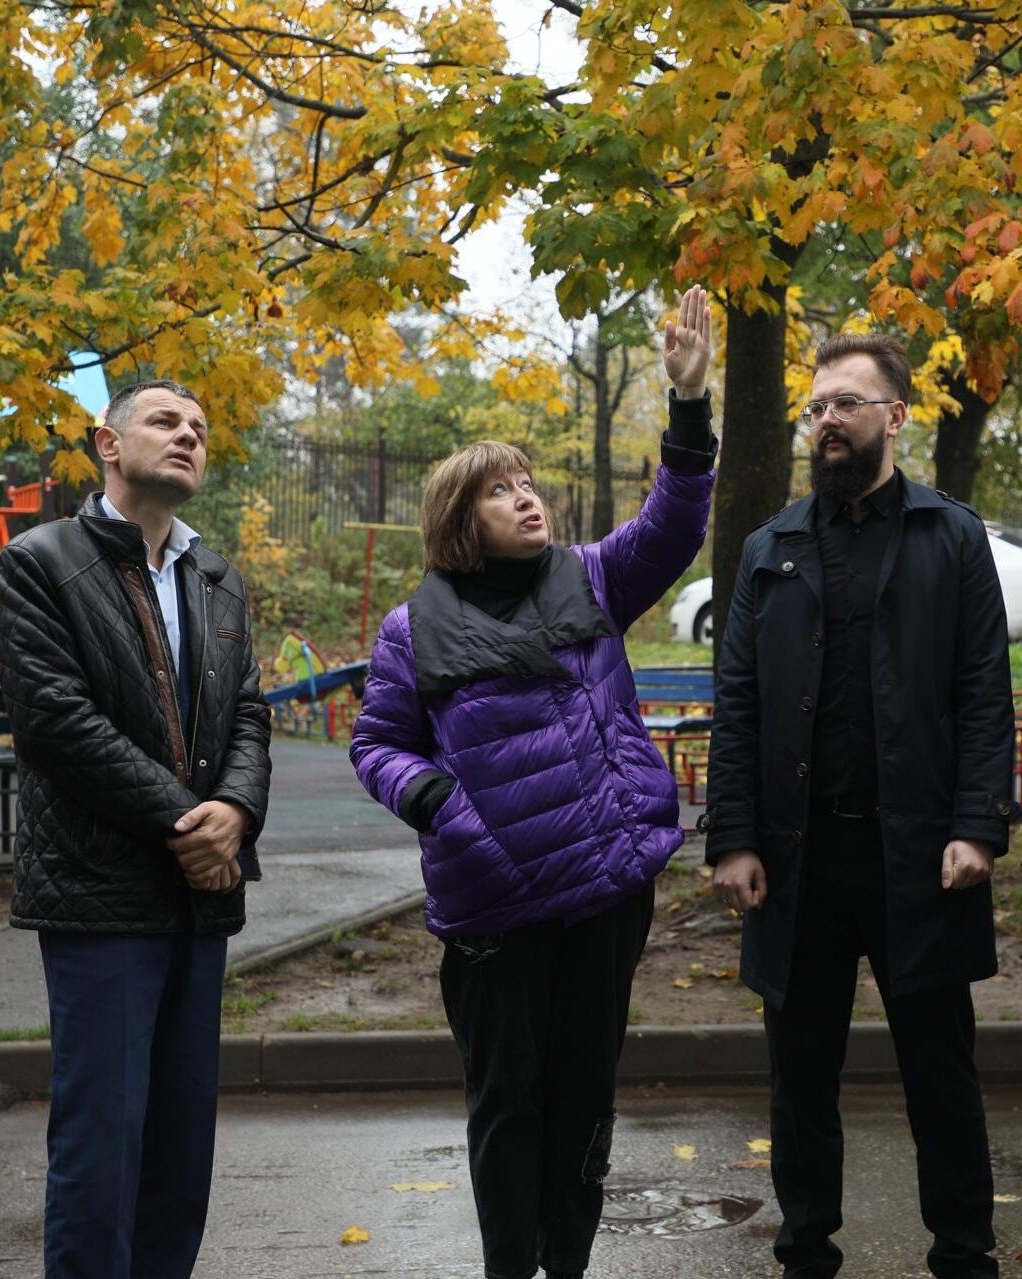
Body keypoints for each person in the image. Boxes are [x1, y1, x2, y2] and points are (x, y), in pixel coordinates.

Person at [348, 288, 717, 1279]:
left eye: (527, 482)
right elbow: (377, 744)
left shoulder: (589, 578)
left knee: (583, 1096)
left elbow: (675, 523)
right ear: (459, 519)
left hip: (603, 890)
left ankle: (569, 1265)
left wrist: (688, 404)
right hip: (494, 907)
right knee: (507, 1106)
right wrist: (438, 805)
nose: (526, 496)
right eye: (499, 489)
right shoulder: (409, 629)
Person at [705, 332, 1016, 1279]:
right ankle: (806, 1253)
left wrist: (977, 825)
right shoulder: (772, 547)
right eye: (816, 406)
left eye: (847, 402)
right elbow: (740, 705)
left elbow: (982, 691)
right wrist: (733, 837)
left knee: (941, 1074)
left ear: (897, 415)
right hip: (800, 861)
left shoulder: (950, 535)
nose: (826, 419)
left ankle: (964, 1254)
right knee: (800, 1077)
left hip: (921, 854)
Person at [0, 380, 272, 1278]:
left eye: (199, 426)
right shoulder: (39, 561)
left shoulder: (217, 575)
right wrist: (189, 819)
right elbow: (57, 723)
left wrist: (236, 811)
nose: (189, 434)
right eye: (166, 421)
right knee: (101, 1151)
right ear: (106, 443)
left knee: (180, 1157)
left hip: (201, 895)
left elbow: (251, 714)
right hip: (100, 893)